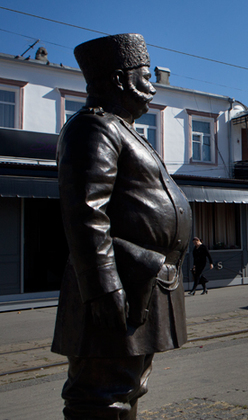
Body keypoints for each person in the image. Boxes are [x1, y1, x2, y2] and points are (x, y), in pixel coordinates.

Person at [52, 34, 192, 420]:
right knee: (102, 393)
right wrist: (105, 286)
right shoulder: (94, 127)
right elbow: (85, 213)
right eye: (144, 77)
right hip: (120, 283)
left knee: (127, 388)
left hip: (140, 280)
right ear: (119, 80)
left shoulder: (125, 129)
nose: (152, 87)